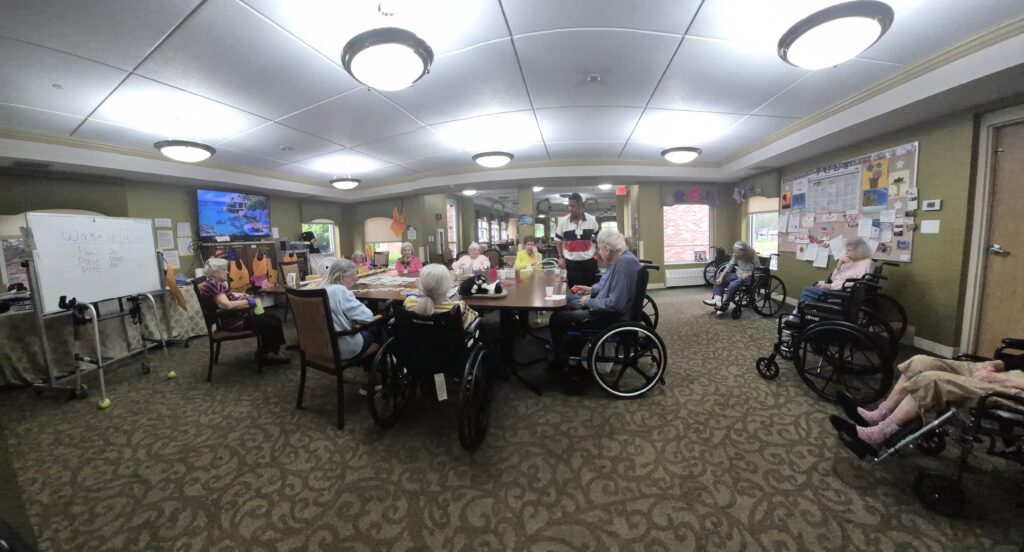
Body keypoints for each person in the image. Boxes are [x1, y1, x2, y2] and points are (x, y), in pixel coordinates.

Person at [830, 354, 1024, 458]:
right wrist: (998, 364)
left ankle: (877, 436)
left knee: (931, 381)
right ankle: (878, 416)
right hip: (1011, 374)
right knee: (920, 363)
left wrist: (1001, 380)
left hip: (1016, 390)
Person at [549, 228, 639, 394]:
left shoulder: (624, 263)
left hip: (611, 317)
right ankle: (565, 354)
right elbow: (606, 286)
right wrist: (590, 290)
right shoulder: (620, 260)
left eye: (600, 248)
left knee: (558, 318)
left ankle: (566, 363)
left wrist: (589, 302)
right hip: (606, 310)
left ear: (608, 248)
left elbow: (615, 304)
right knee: (565, 303)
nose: (598, 252)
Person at [198, 258, 288, 364]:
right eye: (224, 270)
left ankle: (268, 351)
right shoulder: (214, 285)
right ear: (214, 272)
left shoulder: (213, 284)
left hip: (235, 318)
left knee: (275, 318)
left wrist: (243, 297)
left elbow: (227, 297)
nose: (227, 272)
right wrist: (249, 302)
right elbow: (226, 305)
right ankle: (268, 354)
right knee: (270, 323)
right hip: (234, 322)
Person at [798, 238, 874, 306]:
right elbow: (833, 279)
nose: (846, 253)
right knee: (810, 290)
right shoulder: (848, 262)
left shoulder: (866, 263)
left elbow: (859, 284)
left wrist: (831, 286)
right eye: (846, 250)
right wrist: (839, 263)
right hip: (836, 289)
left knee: (807, 291)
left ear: (859, 251)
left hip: (845, 294)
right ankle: (808, 314)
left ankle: (802, 314)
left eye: (849, 250)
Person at [403, 263, 479, 330]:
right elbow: (475, 317)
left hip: (416, 345)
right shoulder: (458, 307)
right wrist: (450, 301)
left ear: (421, 285)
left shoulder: (409, 301)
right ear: (448, 286)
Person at [555, 192, 601, 288]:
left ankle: (588, 303)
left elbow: (600, 237)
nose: (570, 209)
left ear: (580, 206)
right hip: (571, 263)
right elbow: (558, 240)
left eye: (573, 206)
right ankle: (577, 303)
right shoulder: (563, 221)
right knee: (575, 289)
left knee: (591, 289)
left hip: (589, 261)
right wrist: (560, 257)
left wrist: (598, 251)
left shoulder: (591, 220)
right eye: (569, 206)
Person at [703, 241, 757, 313]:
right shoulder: (736, 255)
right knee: (719, 277)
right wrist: (721, 277)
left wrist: (749, 273)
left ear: (744, 251)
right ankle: (718, 299)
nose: (736, 254)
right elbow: (729, 266)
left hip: (748, 278)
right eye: (735, 252)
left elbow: (758, 269)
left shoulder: (752, 256)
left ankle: (725, 305)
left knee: (732, 285)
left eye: (738, 252)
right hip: (738, 274)